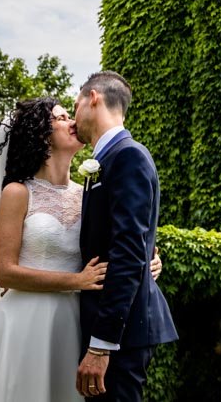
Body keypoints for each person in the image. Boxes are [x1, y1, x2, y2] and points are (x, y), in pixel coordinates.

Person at [0, 98, 162, 402]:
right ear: (41, 135)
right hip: (27, 320)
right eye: (62, 117)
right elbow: (4, 272)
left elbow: (123, 242)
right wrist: (76, 281)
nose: (73, 122)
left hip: (75, 321)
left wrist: (149, 261)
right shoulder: (17, 192)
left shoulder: (88, 194)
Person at [73, 71, 178, 400]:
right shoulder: (107, 159)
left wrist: (102, 346)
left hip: (121, 333)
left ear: (93, 98)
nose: (73, 112)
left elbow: (129, 252)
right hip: (108, 328)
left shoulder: (127, 156)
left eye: (75, 103)